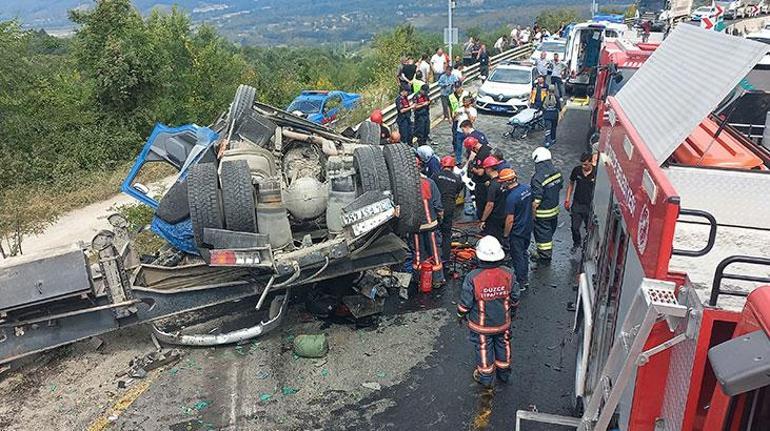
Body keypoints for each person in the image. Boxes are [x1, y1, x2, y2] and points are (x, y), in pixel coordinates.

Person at [457, 235, 519, 387]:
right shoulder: (508, 274)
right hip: (503, 323)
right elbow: (515, 296)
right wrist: (512, 311)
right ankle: (504, 373)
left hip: (482, 326)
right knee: (504, 345)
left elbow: (466, 302)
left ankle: (485, 377)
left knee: (484, 348)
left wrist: (460, 314)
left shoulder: (473, 277)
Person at [413, 159, 445, 288]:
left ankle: (418, 278)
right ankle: (437, 279)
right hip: (431, 223)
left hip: (415, 226)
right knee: (435, 252)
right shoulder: (429, 183)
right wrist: (440, 218)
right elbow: (438, 204)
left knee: (418, 252)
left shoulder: (406, 186)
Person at [502, 167, 533, 291]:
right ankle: (524, 277)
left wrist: (505, 235)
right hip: (527, 227)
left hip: (517, 231)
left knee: (518, 255)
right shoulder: (527, 189)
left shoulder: (512, 198)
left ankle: (521, 281)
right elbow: (532, 207)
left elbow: (510, 219)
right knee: (524, 253)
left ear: (506, 182)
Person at [530, 147, 562, 262]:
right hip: (554, 211)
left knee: (543, 237)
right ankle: (545, 253)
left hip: (542, 214)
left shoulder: (537, 178)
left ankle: (544, 256)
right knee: (549, 233)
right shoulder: (557, 172)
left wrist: (532, 216)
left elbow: (536, 202)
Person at [432, 156, 464, 264]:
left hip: (436, 206)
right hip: (449, 206)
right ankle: (446, 258)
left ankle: (433, 255)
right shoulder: (457, 179)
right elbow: (457, 192)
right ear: (452, 167)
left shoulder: (435, 176)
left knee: (433, 231)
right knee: (446, 233)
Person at [565, 152, 596, 252]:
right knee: (574, 227)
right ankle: (577, 243)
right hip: (577, 204)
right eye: (582, 164)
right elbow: (571, 184)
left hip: (589, 205)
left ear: (591, 163)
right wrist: (567, 199)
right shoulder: (577, 171)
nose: (583, 166)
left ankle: (587, 245)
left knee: (589, 228)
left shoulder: (596, 173)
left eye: (586, 164)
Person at [479, 157, 509, 242]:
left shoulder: (493, 186)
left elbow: (490, 205)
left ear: (488, 169)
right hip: (504, 214)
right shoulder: (503, 180)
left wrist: (483, 220)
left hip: (495, 218)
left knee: (492, 239)